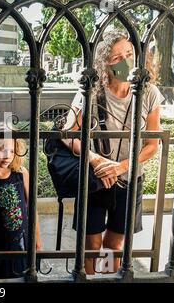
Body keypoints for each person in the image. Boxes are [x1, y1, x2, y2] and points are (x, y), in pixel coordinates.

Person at [63, 29, 164, 274]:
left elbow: (152, 144)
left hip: (129, 179)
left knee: (114, 244)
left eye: (129, 54)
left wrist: (122, 166)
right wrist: (96, 160)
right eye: (117, 58)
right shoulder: (91, 90)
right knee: (92, 243)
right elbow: (68, 133)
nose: (126, 61)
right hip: (97, 179)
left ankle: (110, 278)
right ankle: (87, 278)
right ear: (104, 64)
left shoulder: (148, 92)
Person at [0, 138, 41, 278]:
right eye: (2, 150)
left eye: (11, 150)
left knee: (22, 275)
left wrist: (37, 239)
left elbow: (33, 209)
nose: (7, 155)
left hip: (21, 241)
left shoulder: (21, 173)